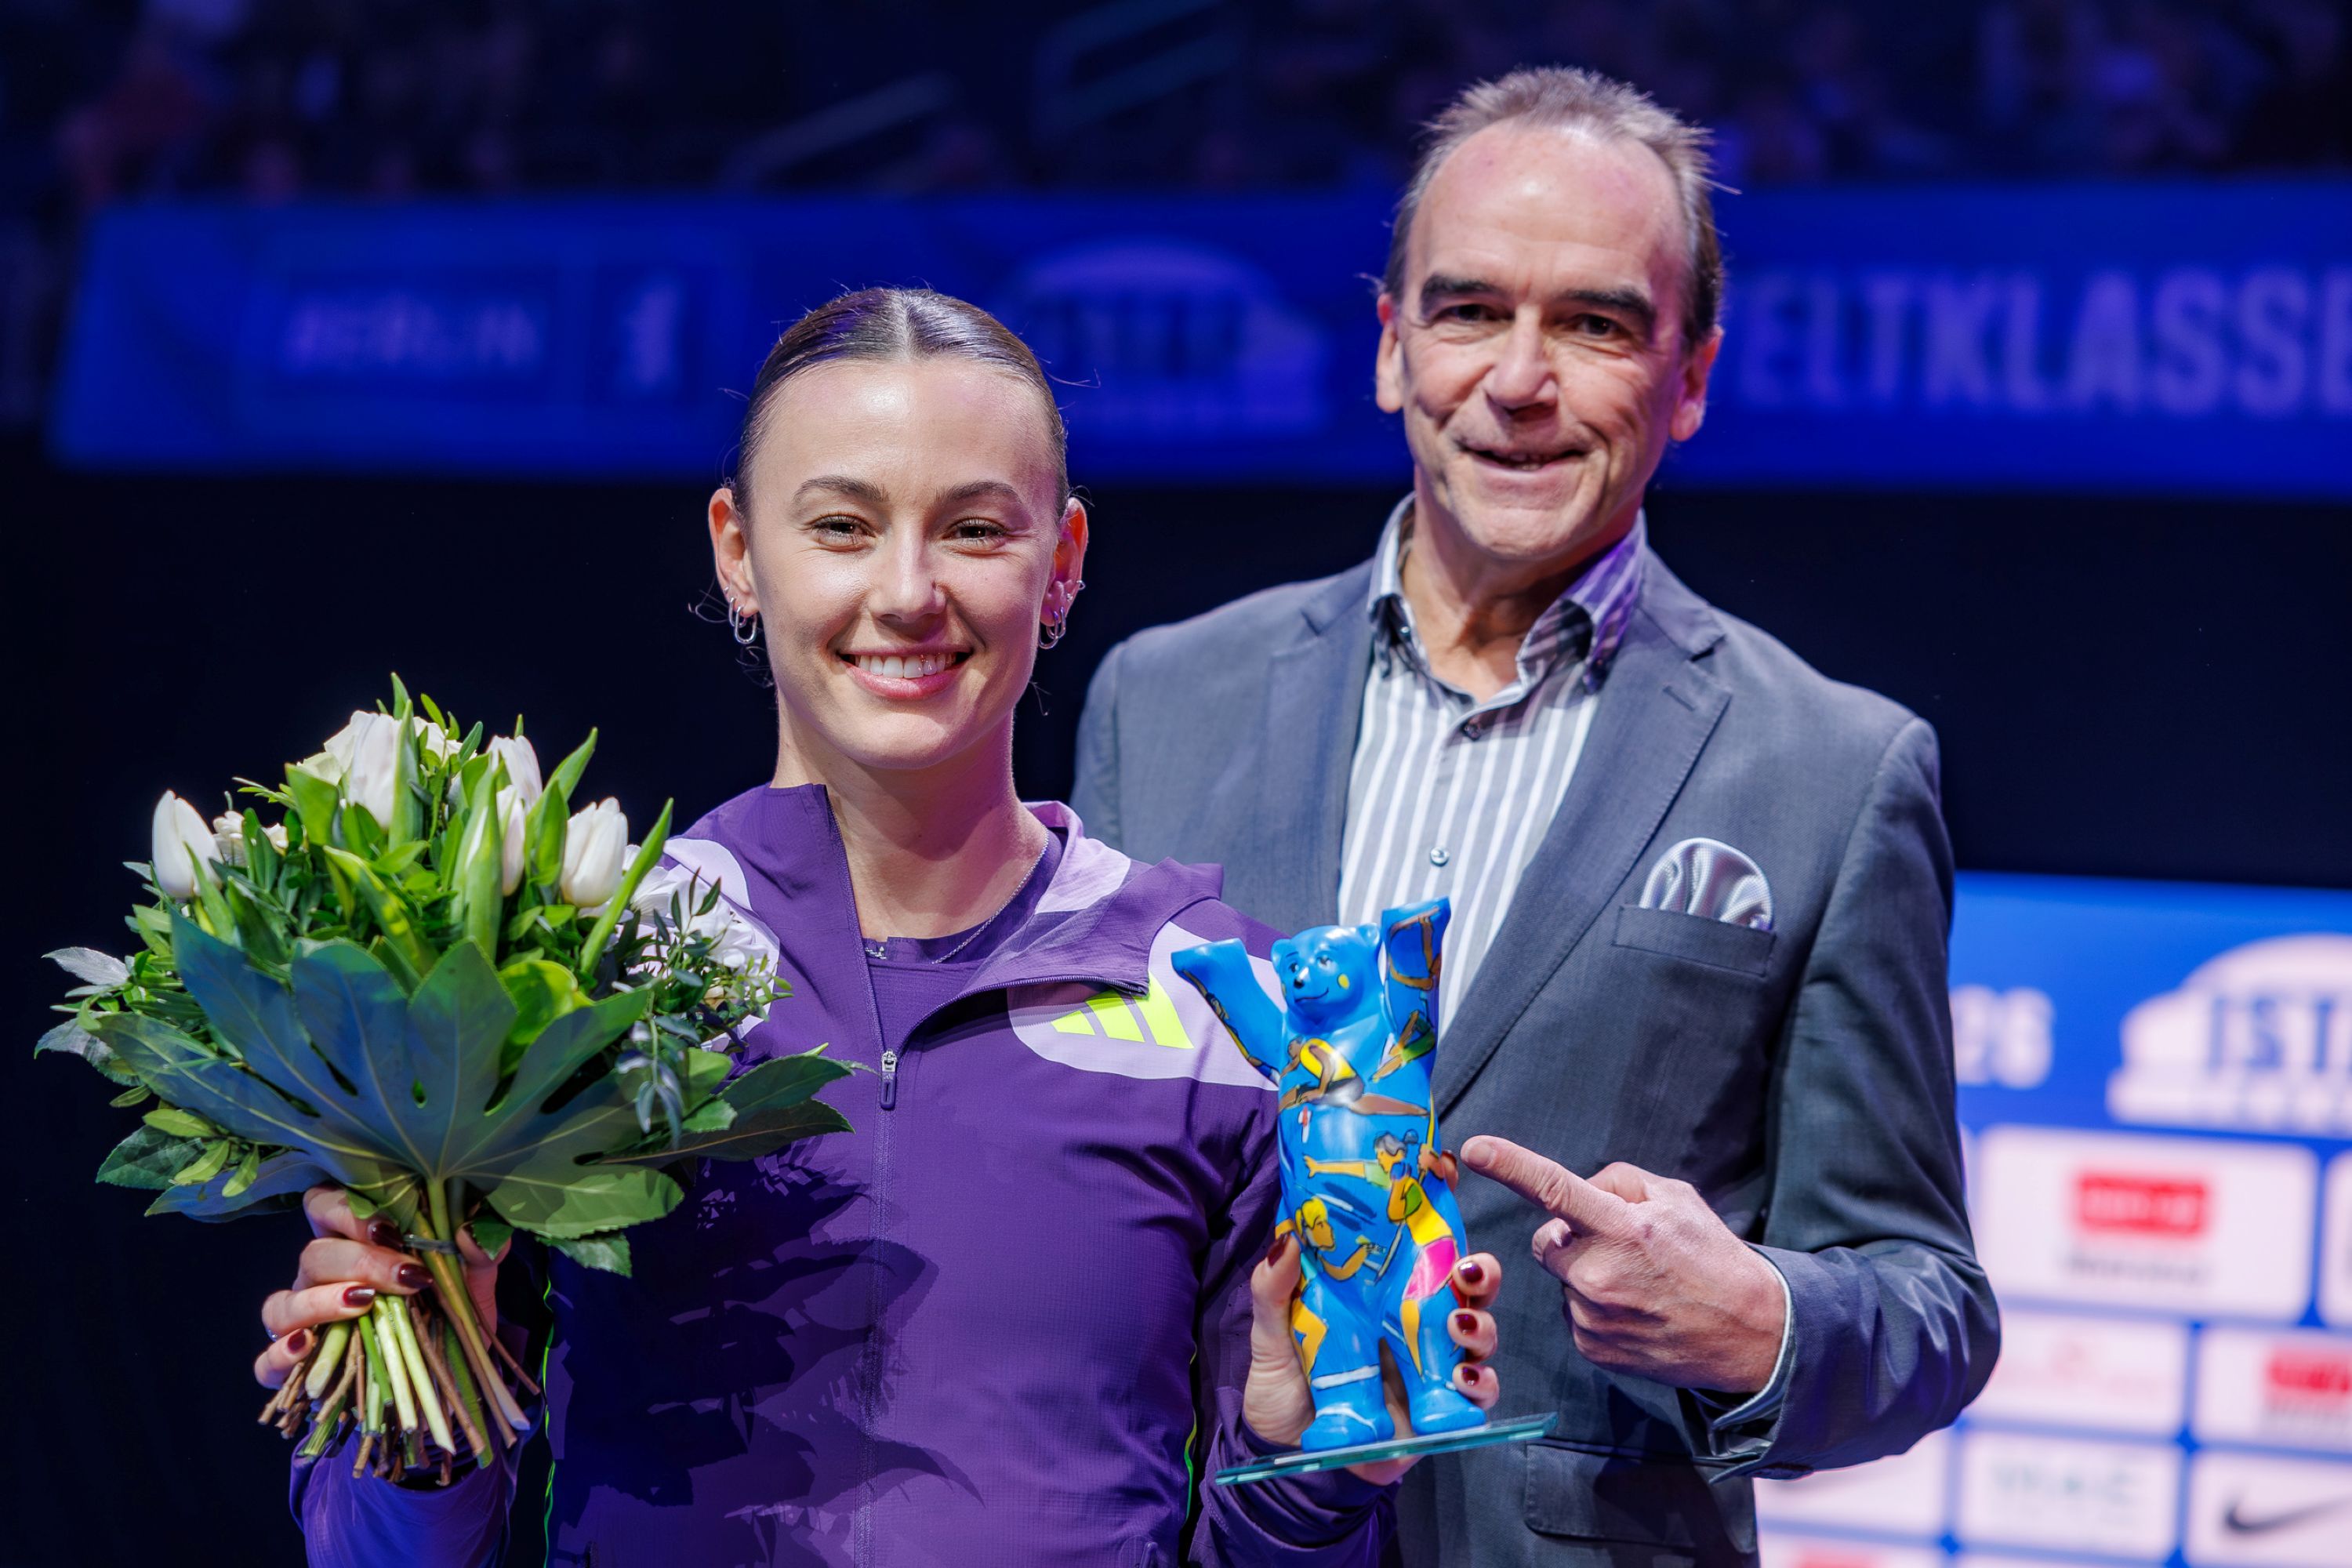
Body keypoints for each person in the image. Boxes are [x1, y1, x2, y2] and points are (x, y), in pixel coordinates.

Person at [246, 286, 1506, 1568]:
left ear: (1062, 561)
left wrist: (1310, 1474)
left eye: (972, 529)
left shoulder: (1212, 997)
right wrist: (418, 1430)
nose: (908, 593)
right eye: (843, 526)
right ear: (738, 550)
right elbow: (376, 1555)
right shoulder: (564, 982)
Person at [1072, 68, 1998, 1567]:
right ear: (1390, 349)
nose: (1519, 377)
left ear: (1690, 378)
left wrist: (1757, 1319)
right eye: (1468, 311)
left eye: (1595, 323)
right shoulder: (1163, 698)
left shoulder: (1832, 769)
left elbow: (1928, 1302)